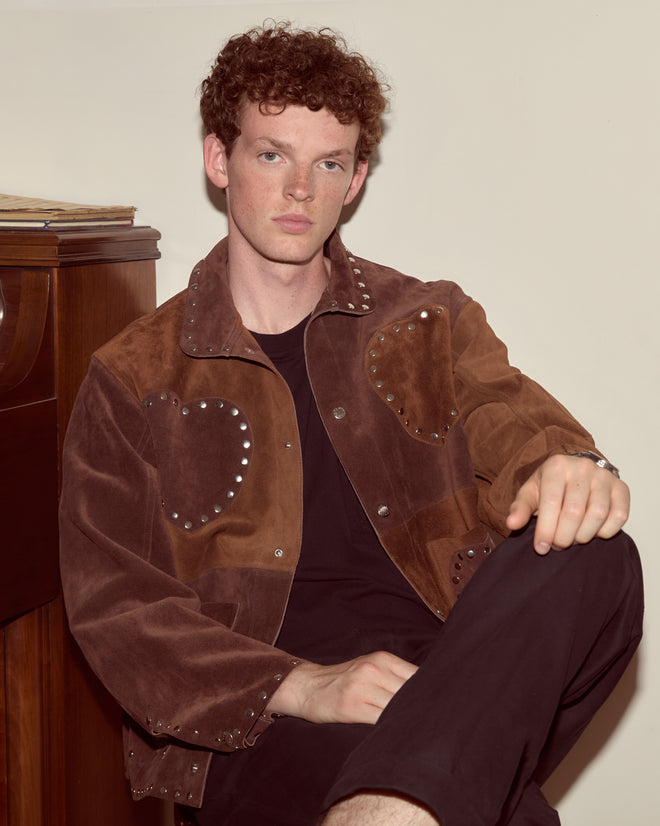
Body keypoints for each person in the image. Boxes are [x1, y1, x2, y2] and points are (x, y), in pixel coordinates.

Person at [59, 22, 643, 826]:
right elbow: (118, 611)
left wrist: (565, 461)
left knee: (595, 550)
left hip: (452, 682)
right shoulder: (132, 377)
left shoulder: (427, 320)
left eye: (328, 162)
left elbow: (509, 411)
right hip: (266, 719)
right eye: (272, 155)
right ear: (218, 160)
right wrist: (304, 684)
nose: (301, 188)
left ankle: (402, 798)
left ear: (356, 178)